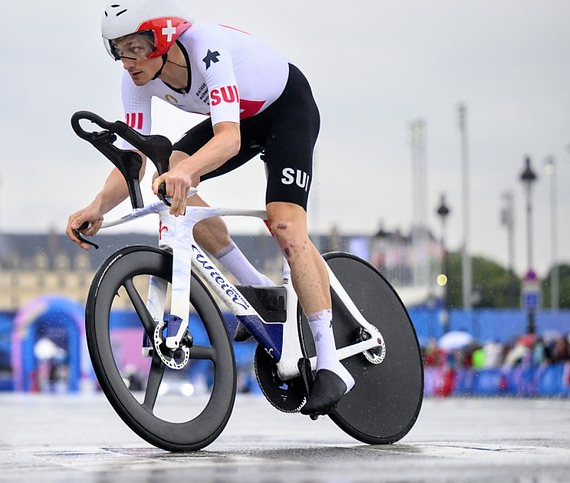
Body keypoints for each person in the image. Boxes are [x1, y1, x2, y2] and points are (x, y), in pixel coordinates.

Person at [66, 0, 354, 415]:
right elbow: (133, 158)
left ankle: (331, 362)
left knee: (285, 225)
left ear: (161, 37)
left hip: (285, 109)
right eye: (117, 49)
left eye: (134, 48)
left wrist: (188, 172)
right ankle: (256, 287)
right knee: (168, 177)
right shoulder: (136, 81)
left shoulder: (207, 47)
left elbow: (228, 141)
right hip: (238, 118)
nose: (126, 61)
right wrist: (96, 206)